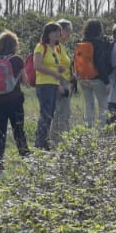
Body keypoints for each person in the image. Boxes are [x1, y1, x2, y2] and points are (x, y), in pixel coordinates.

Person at [0, 29, 30, 170]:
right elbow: (25, 81)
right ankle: (25, 156)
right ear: (14, 45)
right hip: (14, 100)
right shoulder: (17, 60)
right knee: (18, 129)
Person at [33, 22, 69, 150]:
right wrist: (54, 72)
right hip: (44, 84)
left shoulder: (56, 49)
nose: (58, 34)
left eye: (59, 31)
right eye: (55, 31)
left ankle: (44, 141)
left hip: (53, 84)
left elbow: (53, 65)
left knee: (50, 114)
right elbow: (37, 65)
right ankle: (39, 143)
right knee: (46, 114)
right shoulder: (41, 47)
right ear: (48, 34)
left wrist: (59, 70)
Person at [74, 19, 111, 127]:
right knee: (103, 106)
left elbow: (75, 60)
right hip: (97, 79)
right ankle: (101, 130)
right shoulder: (99, 44)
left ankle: (88, 128)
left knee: (88, 104)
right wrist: (106, 82)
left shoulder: (81, 42)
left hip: (83, 78)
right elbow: (100, 65)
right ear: (99, 30)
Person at [51, 19, 76, 142]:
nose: (70, 33)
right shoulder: (56, 47)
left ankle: (55, 139)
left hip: (65, 81)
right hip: (60, 82)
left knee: (61, 112)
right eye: (68, 30)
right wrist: (60, 84)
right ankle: (60, 141)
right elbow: (54, 66)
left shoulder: (62, 46)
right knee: (63, 113)